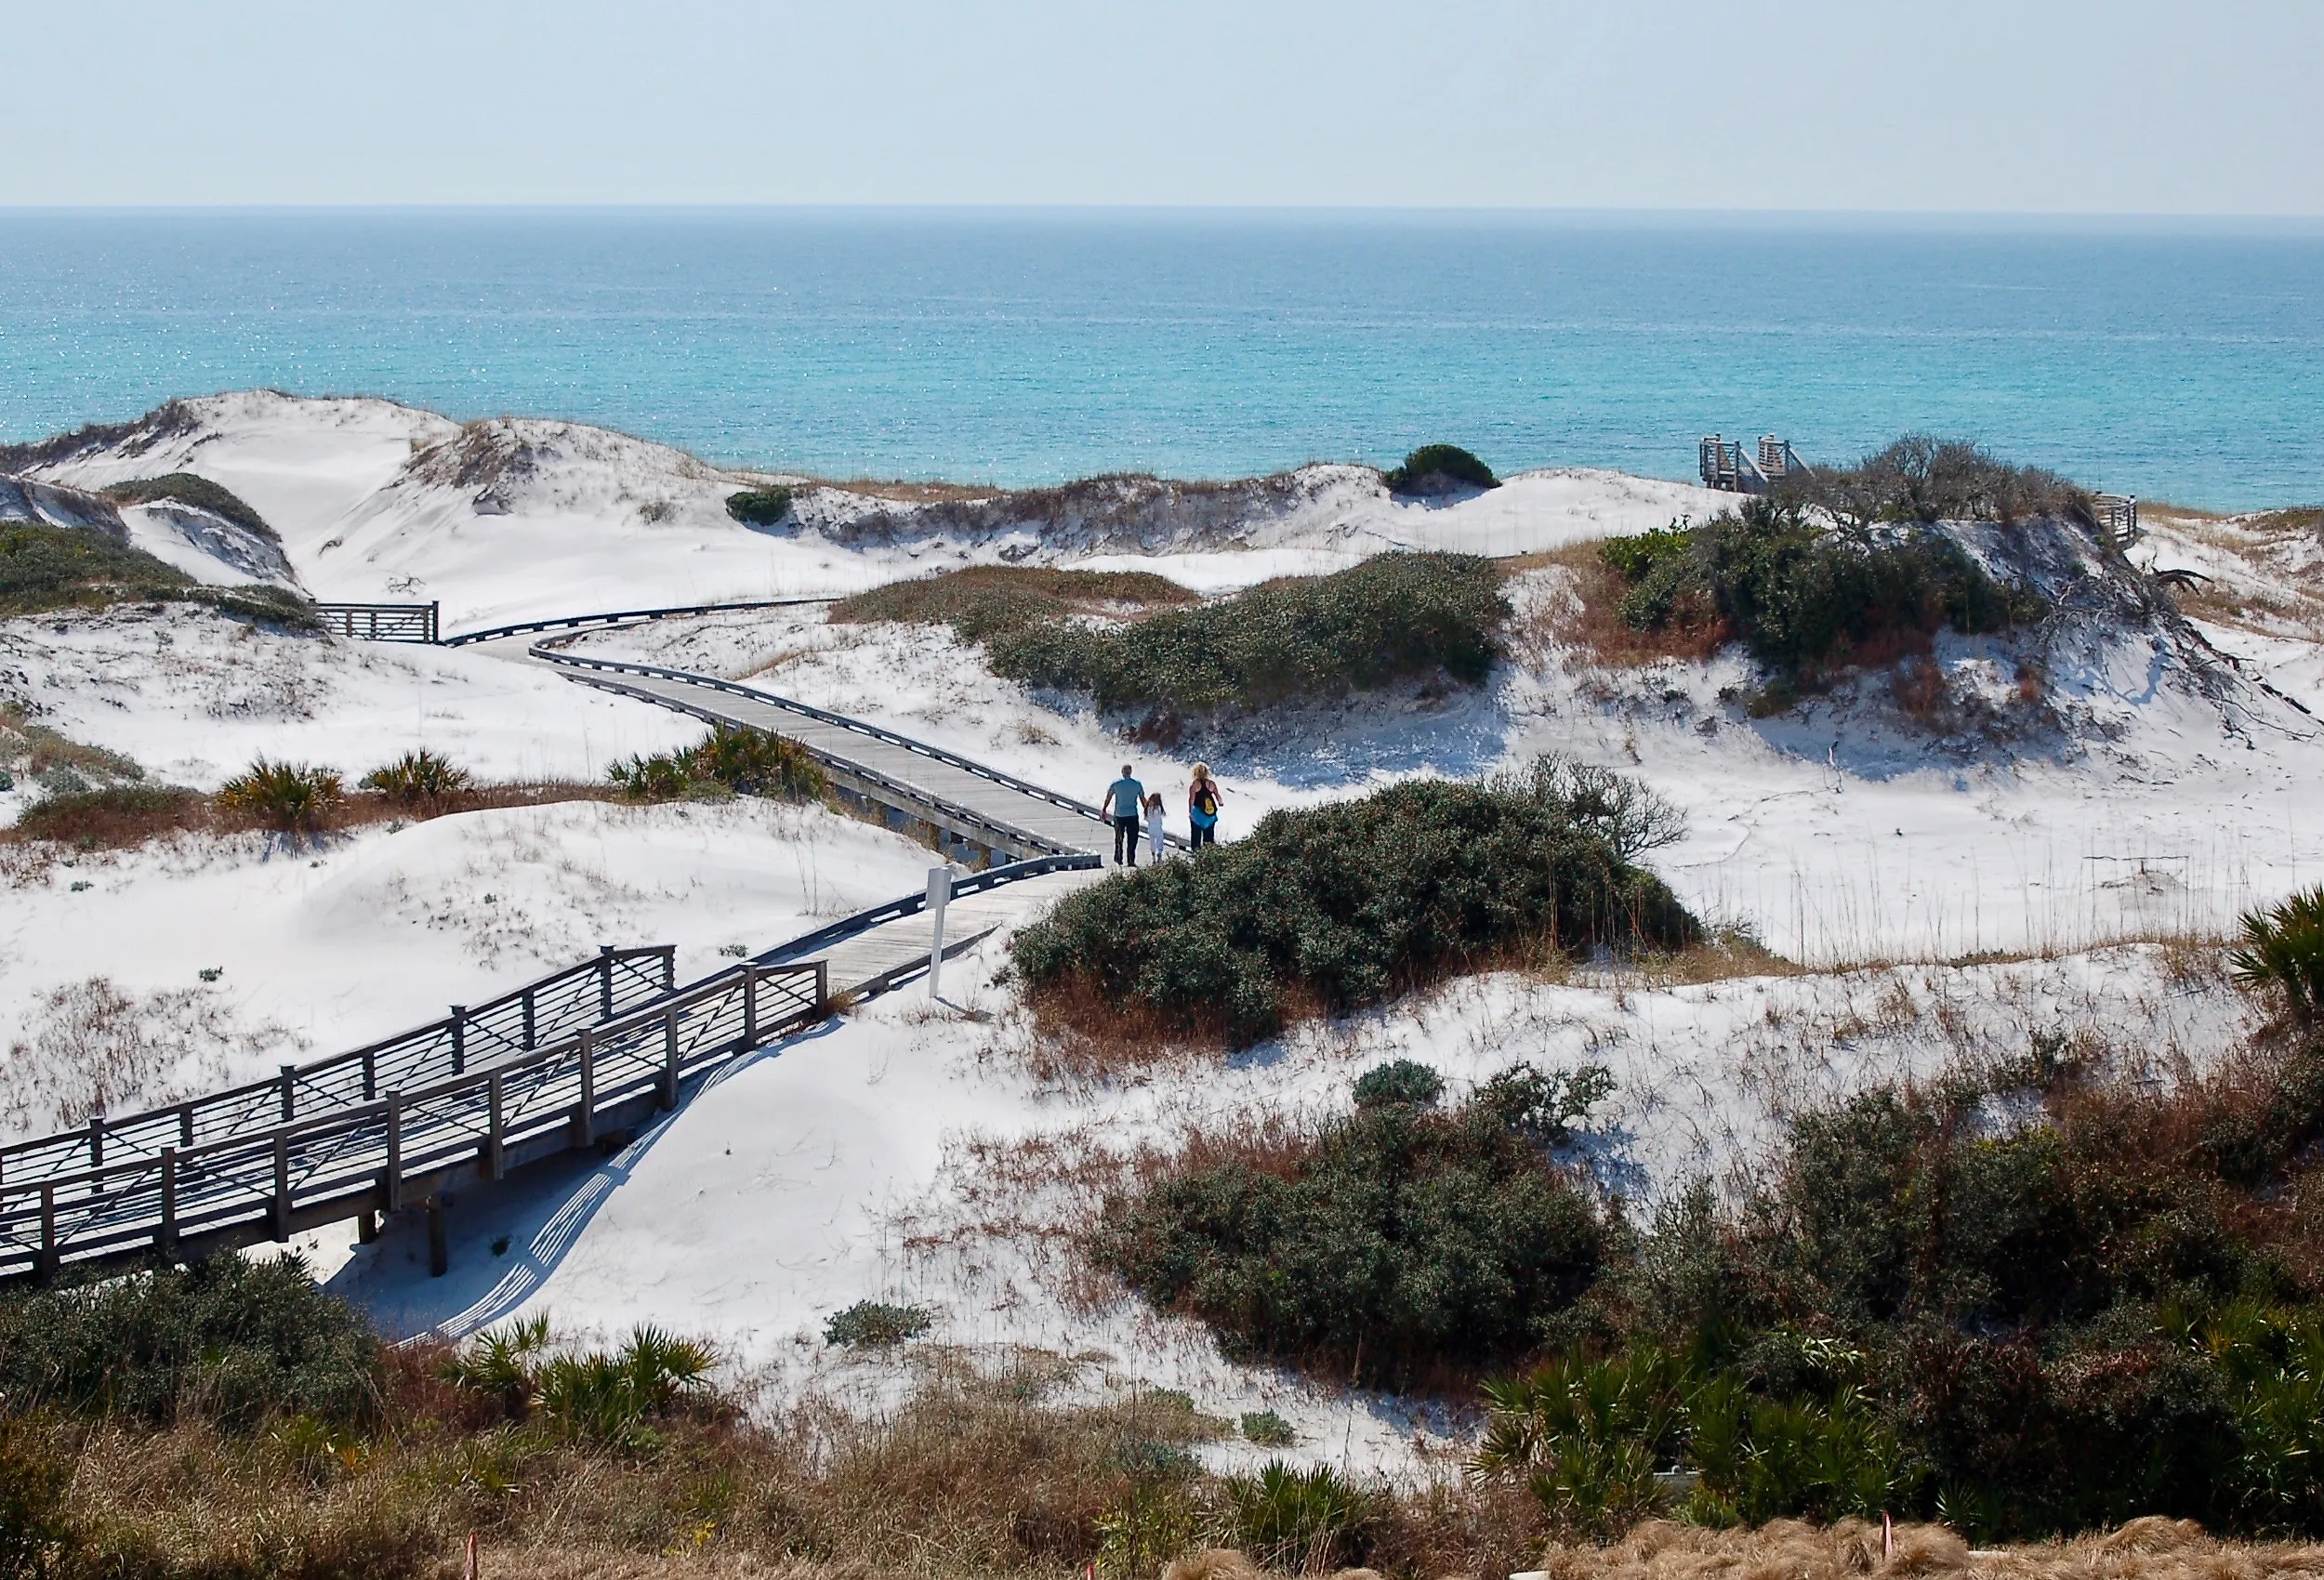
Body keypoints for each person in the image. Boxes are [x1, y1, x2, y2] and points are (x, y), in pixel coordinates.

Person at [1105, 762, 1145, 866]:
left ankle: (1118, 858)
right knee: (1132, 838)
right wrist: (1147, 811)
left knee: (1119, 837)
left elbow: (1108, 797)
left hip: (1119, 815)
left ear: (1122, 772)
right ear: (1131, 772)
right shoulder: (1137, 784)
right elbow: (1142, 799)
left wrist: (1104, 809)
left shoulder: (1116, 784)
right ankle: (1131, 860)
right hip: (1132, 814)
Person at [1187, 762, 1223, 849]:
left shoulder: (1194, 785)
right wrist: (1220, 803)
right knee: (1209, 838)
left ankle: (1197, 856)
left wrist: (1190, 813)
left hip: (1198, 814)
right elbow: (1218, 796)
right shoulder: (1211, 784)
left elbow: (1191, 799)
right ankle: (1209, 856)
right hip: (1210, 814)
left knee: (1196, 837)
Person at [1143, 791, 1169, 863]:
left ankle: (1153, 856)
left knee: (1152, 842)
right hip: (1158, 828)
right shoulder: (1158, 808)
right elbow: (1161, 815)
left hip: (1150, 828)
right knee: (1159, 841)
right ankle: (1159, 854)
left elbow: (1147, 819)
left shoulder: (1148, 809)